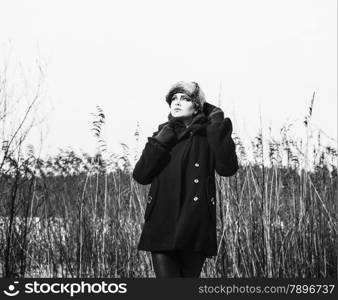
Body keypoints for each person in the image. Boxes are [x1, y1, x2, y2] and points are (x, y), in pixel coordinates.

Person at [132, 81, 239, 277]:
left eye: (185, 98)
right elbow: (141, 175)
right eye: (174, 98)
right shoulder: (164, 134)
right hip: (162, 222)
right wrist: (160, 143)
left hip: (195, 223)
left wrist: (216, 125)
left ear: (197, 105)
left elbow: (227, 168)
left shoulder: (208, 135)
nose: (177, 102)